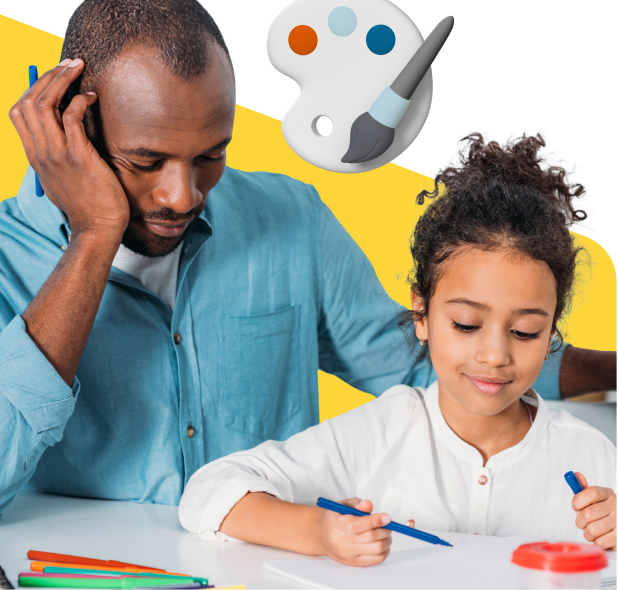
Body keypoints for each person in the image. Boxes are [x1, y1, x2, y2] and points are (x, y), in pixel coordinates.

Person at [0, 0, 613, 530]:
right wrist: (93, 236)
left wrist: (603, 366)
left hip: (263, 564)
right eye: (146, 162)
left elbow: (423, 362)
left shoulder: (291, 218)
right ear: (73, 125)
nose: (181, 194)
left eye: (211, 156)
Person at [178, 134, 617, 565]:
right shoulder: (381, 433)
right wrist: (319, 532)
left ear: (551, 334)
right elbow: (208, 491)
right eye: (466, 324)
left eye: (524, 331)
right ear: (421, 316)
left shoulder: (588, 454)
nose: (495, 354)